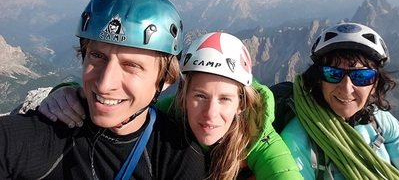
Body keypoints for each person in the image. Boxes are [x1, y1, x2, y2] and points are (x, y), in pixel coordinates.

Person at [0, 0, 206, 179]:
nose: (104, 84)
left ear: (166, 79)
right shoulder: (50, 129)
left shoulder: (178, 157)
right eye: (97, 56)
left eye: (132, 65)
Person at [37, 32, 304, 179]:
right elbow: (118, 106)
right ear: (183, 97)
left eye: (225, 99)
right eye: (200, 96)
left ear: (241, 104)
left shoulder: (258, 138)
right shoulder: (166, 113)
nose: (211, 114)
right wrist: (68, 94)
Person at [279, 23, 399, 179]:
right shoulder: (297, 141)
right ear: (319, 79)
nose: (346, 88)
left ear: (375, 83)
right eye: (333, 73)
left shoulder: (380, 122)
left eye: (361, 76)